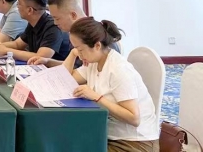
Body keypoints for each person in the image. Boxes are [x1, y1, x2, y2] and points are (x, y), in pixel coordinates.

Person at [64, 19, 159, 152]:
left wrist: (96, 97)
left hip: (134, 142)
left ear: (97, 45)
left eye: (80, 49)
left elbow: (134, 118)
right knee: (66, 142)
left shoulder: (118, 69)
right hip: (109, 134)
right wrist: (73, 54)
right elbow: (65, 79)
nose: (80, 55)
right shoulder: (94, 61)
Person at [28, 0, 120, 67]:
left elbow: (83, 73)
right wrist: (47, 61)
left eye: (57, 18)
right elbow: (75, 66)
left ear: (73, 15)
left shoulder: (94, 36)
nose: (55, 23)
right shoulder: (76, 34)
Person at [0, 0, 70, 61]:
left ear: (30, 10)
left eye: (19, 3)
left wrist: (6, 50)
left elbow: (40, 57)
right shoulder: (33, 23)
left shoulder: (53, 27)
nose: (17, 6)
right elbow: (17, 44)